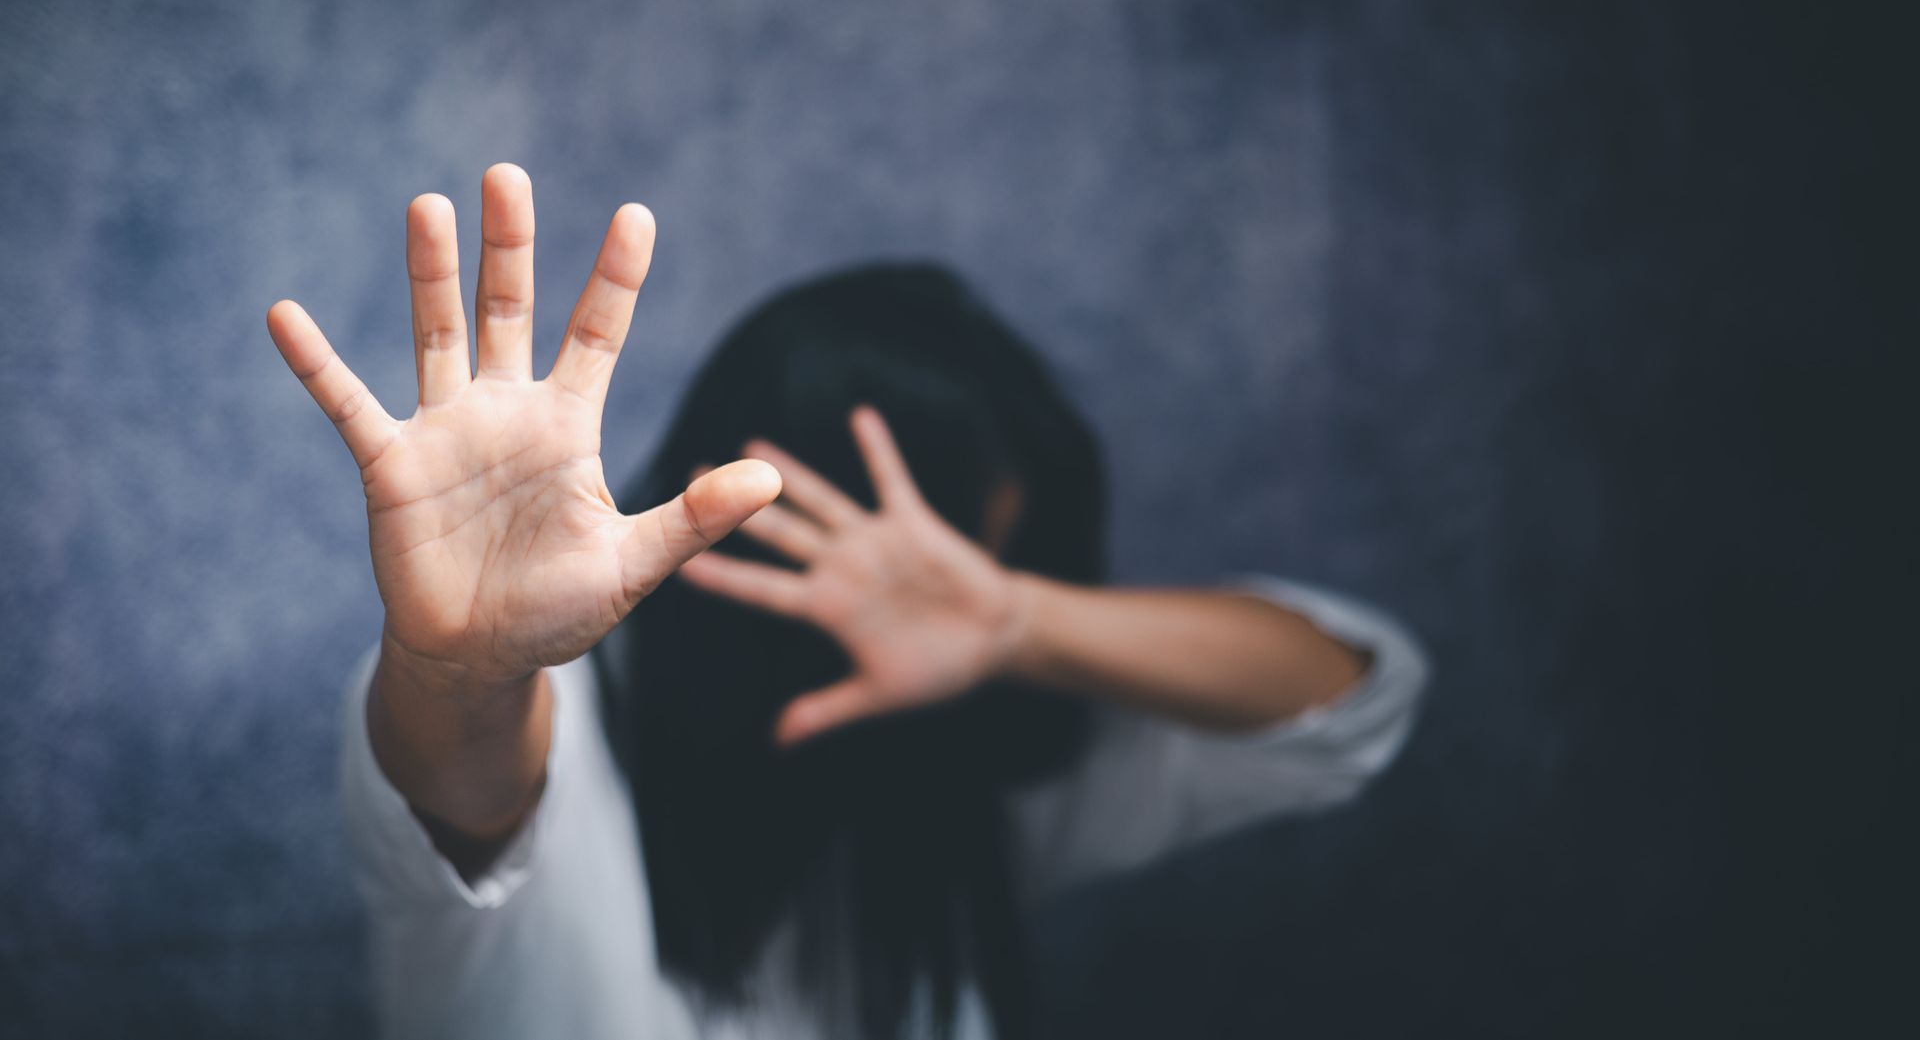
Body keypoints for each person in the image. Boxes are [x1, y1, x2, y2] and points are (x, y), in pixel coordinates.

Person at [266, 164, 1430, 1040]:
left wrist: (1022, 622)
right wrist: (465, 667)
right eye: (932, 557)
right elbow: (467, 783)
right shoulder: (552, 733)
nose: (931, 608)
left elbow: (1351, 696)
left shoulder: (942, 766)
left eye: (987, 564)